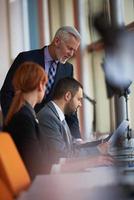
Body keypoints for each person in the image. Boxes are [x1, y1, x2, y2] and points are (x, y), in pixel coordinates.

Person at [0, 26, 81, 138]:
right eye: (69, 48)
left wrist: (77, 139)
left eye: (74, 50)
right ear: (57, 41)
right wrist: (14, 122)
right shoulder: (26, 58)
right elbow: (6, 93)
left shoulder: (68, 69)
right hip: (22, 129)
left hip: (50, 135)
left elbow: (69, 104)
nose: (71, 54)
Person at [37, 77, 112, 171]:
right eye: (79, 99)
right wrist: (97, 151)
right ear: (67, 96)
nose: (80, 104)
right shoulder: (48, 117)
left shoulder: (57, 115)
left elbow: (73, 145)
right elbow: (63, 155)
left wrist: (99, 144)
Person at [3, 62, 48, 180]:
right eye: (45, 84)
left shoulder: (24, 113)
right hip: (33, 186)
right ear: (40, 85)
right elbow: (37, 166)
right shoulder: (24, 118)